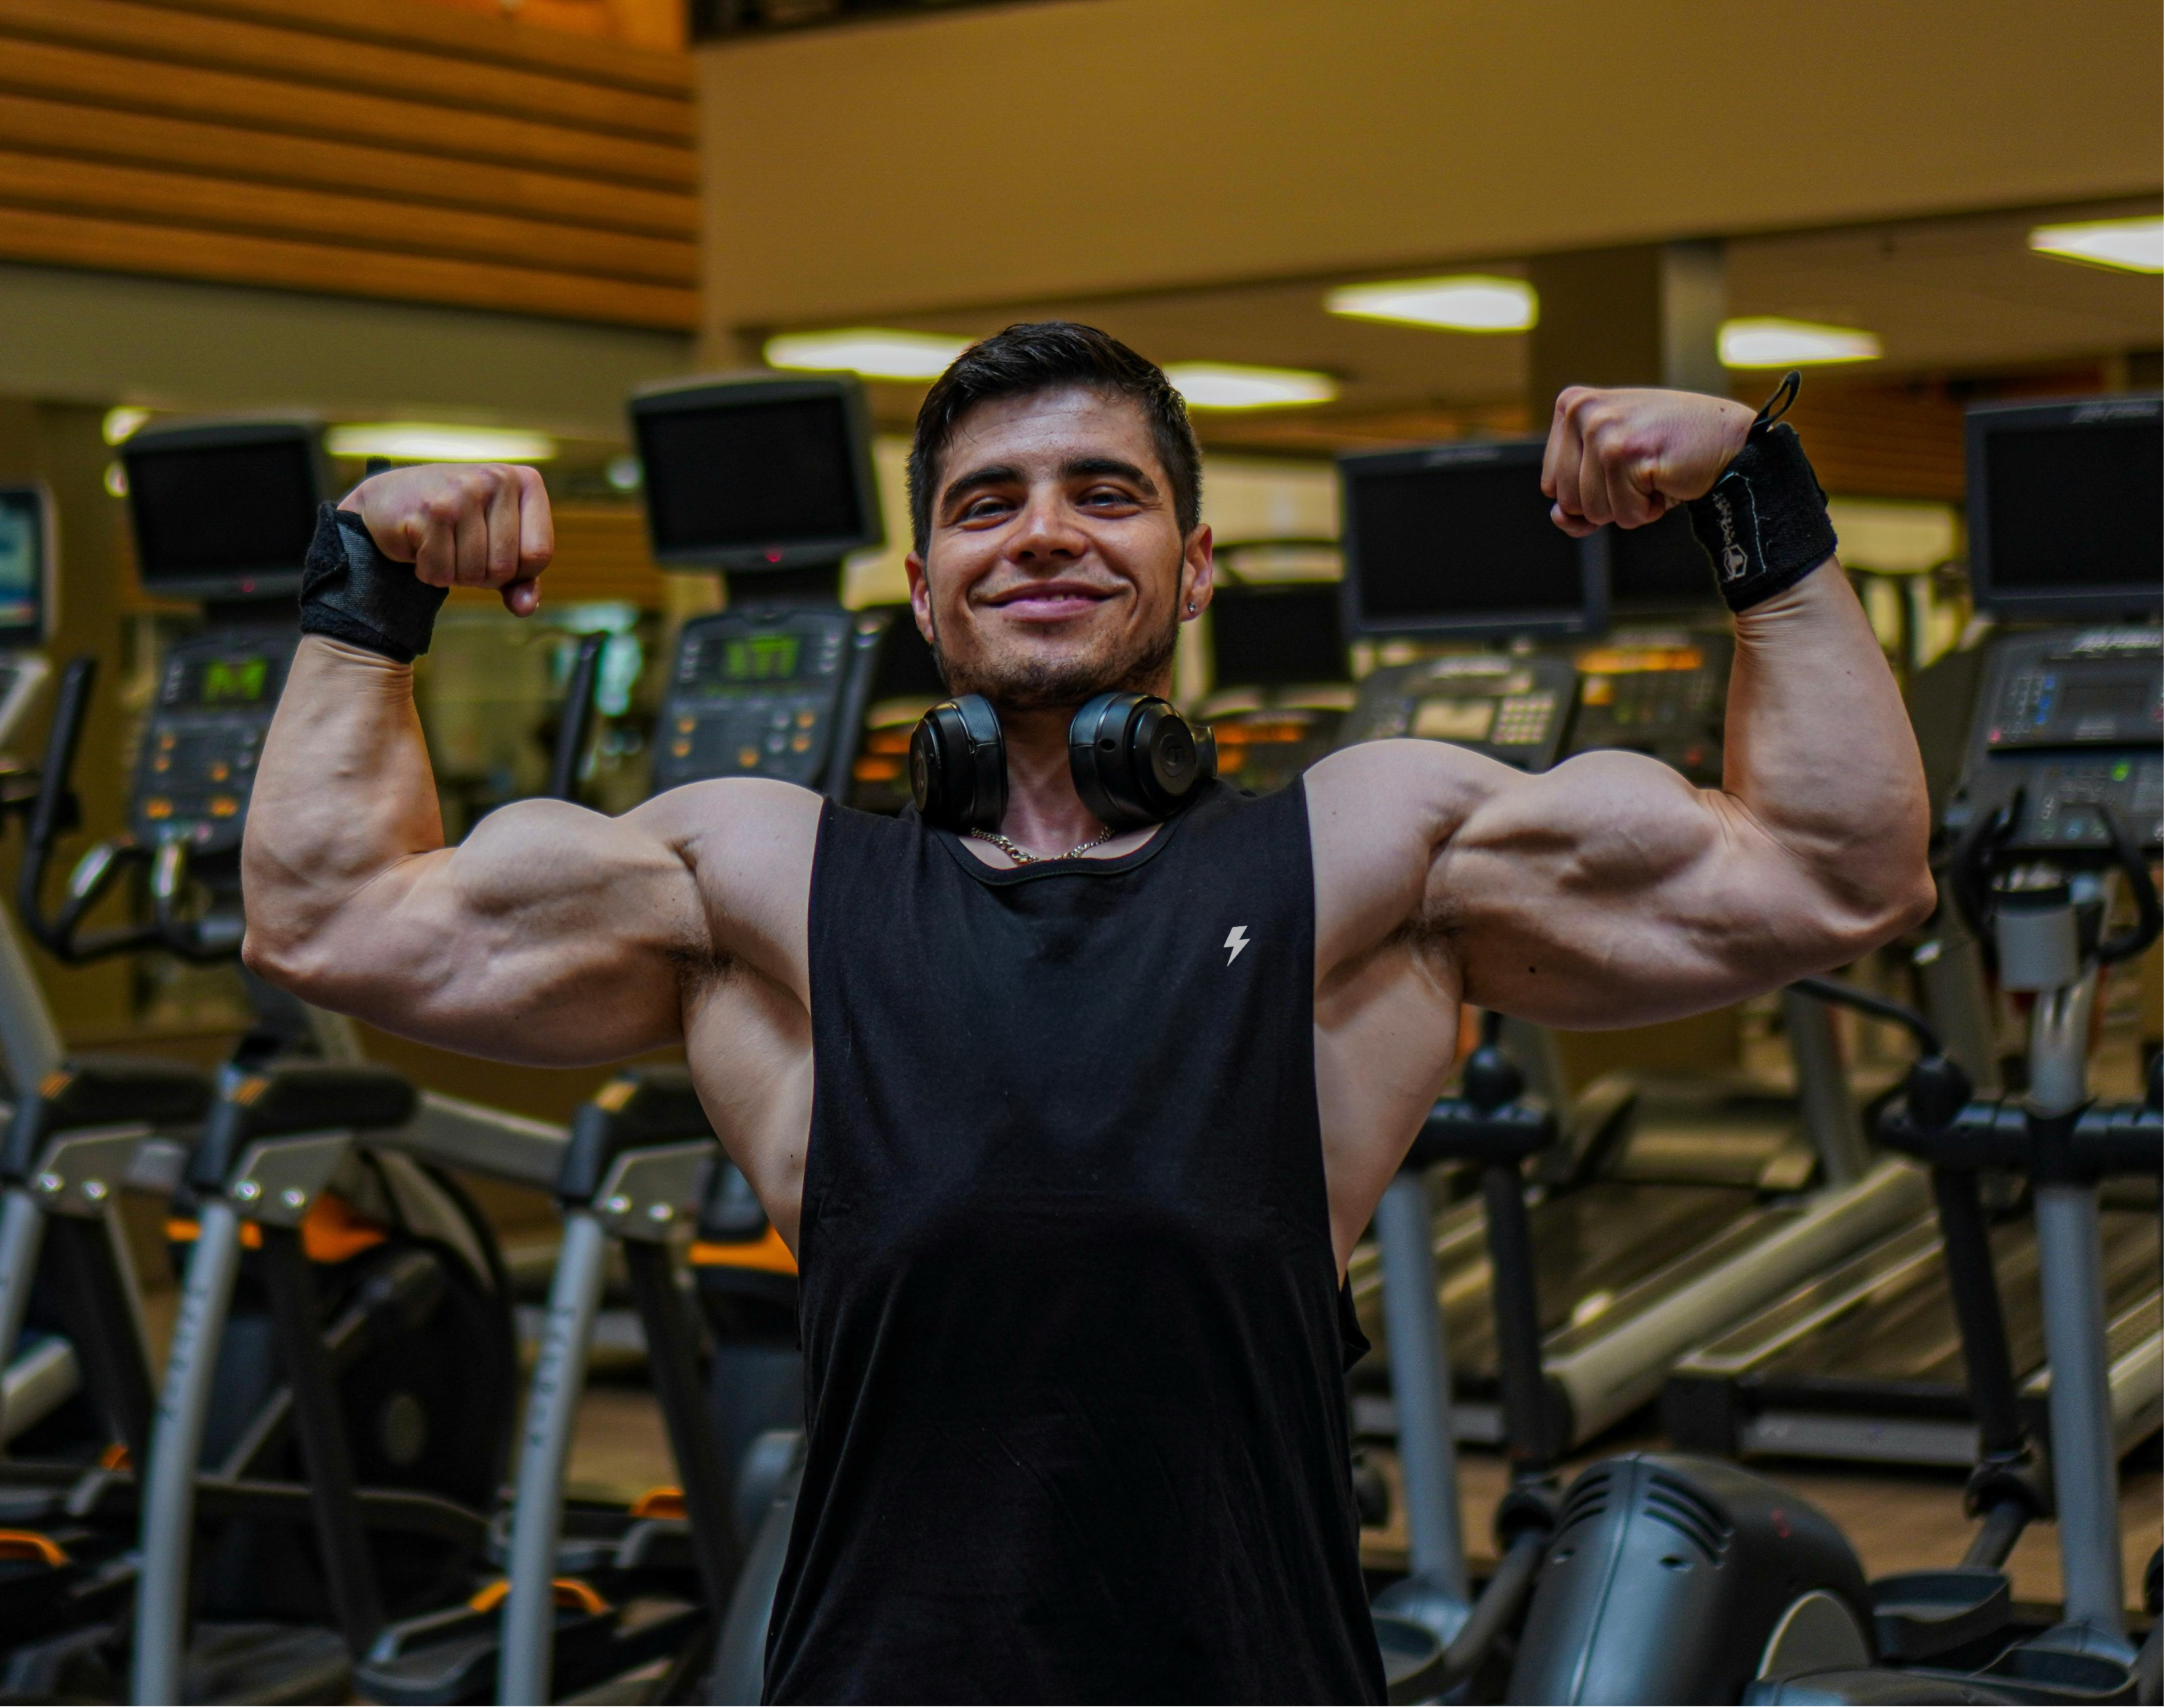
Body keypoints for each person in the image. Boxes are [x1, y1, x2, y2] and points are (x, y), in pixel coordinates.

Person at [241, 324, 1933, 1705]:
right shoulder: (769, 886)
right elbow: (329, 919)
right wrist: (366, 592)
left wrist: (1758, 505)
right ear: (924, 591)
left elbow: (1833, 875)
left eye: (1103, 494)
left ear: (1193, 572)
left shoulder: (1363, 855)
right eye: (988, 504)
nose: (1043, 531)